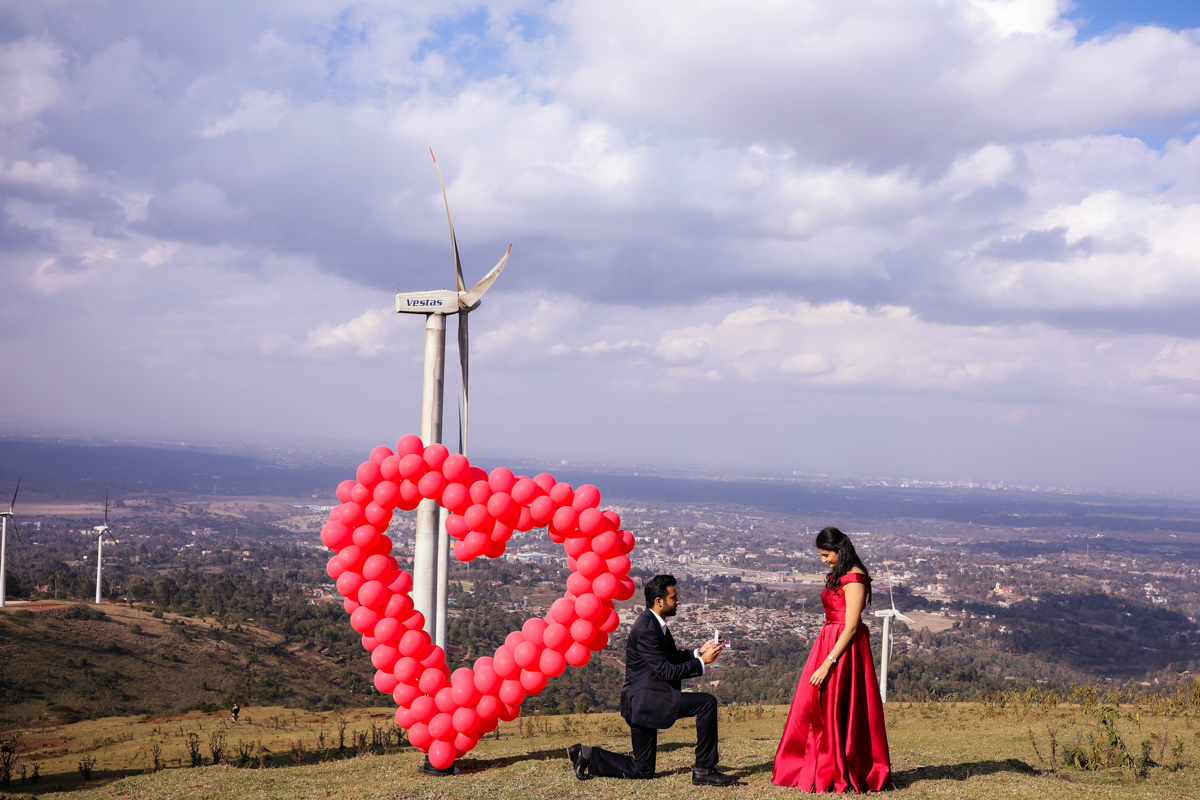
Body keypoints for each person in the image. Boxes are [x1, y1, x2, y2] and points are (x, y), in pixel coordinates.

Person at [567, 574, 737, 786]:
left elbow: (669, 657)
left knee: (643, 769)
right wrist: (703, 662)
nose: (678, 601)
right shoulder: (648, 629)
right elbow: (667, 671)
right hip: (646, 703)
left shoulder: (654, 623)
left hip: (642, 701)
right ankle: (704, 770)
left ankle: (587, 754)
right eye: (674, 598)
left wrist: (697, 652)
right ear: (659, 601)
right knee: (707, 703)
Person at [773, 527, 892, 792]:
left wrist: (829, 661)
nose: (824, 560)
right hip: (829, 640)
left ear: (839, 549)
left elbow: (851, 626)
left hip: (844, 649)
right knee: (816, 702)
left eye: (827, 554)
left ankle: (838, 768)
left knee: (839, 702)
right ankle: (817, 764)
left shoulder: (854, 578)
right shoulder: (840, 575)